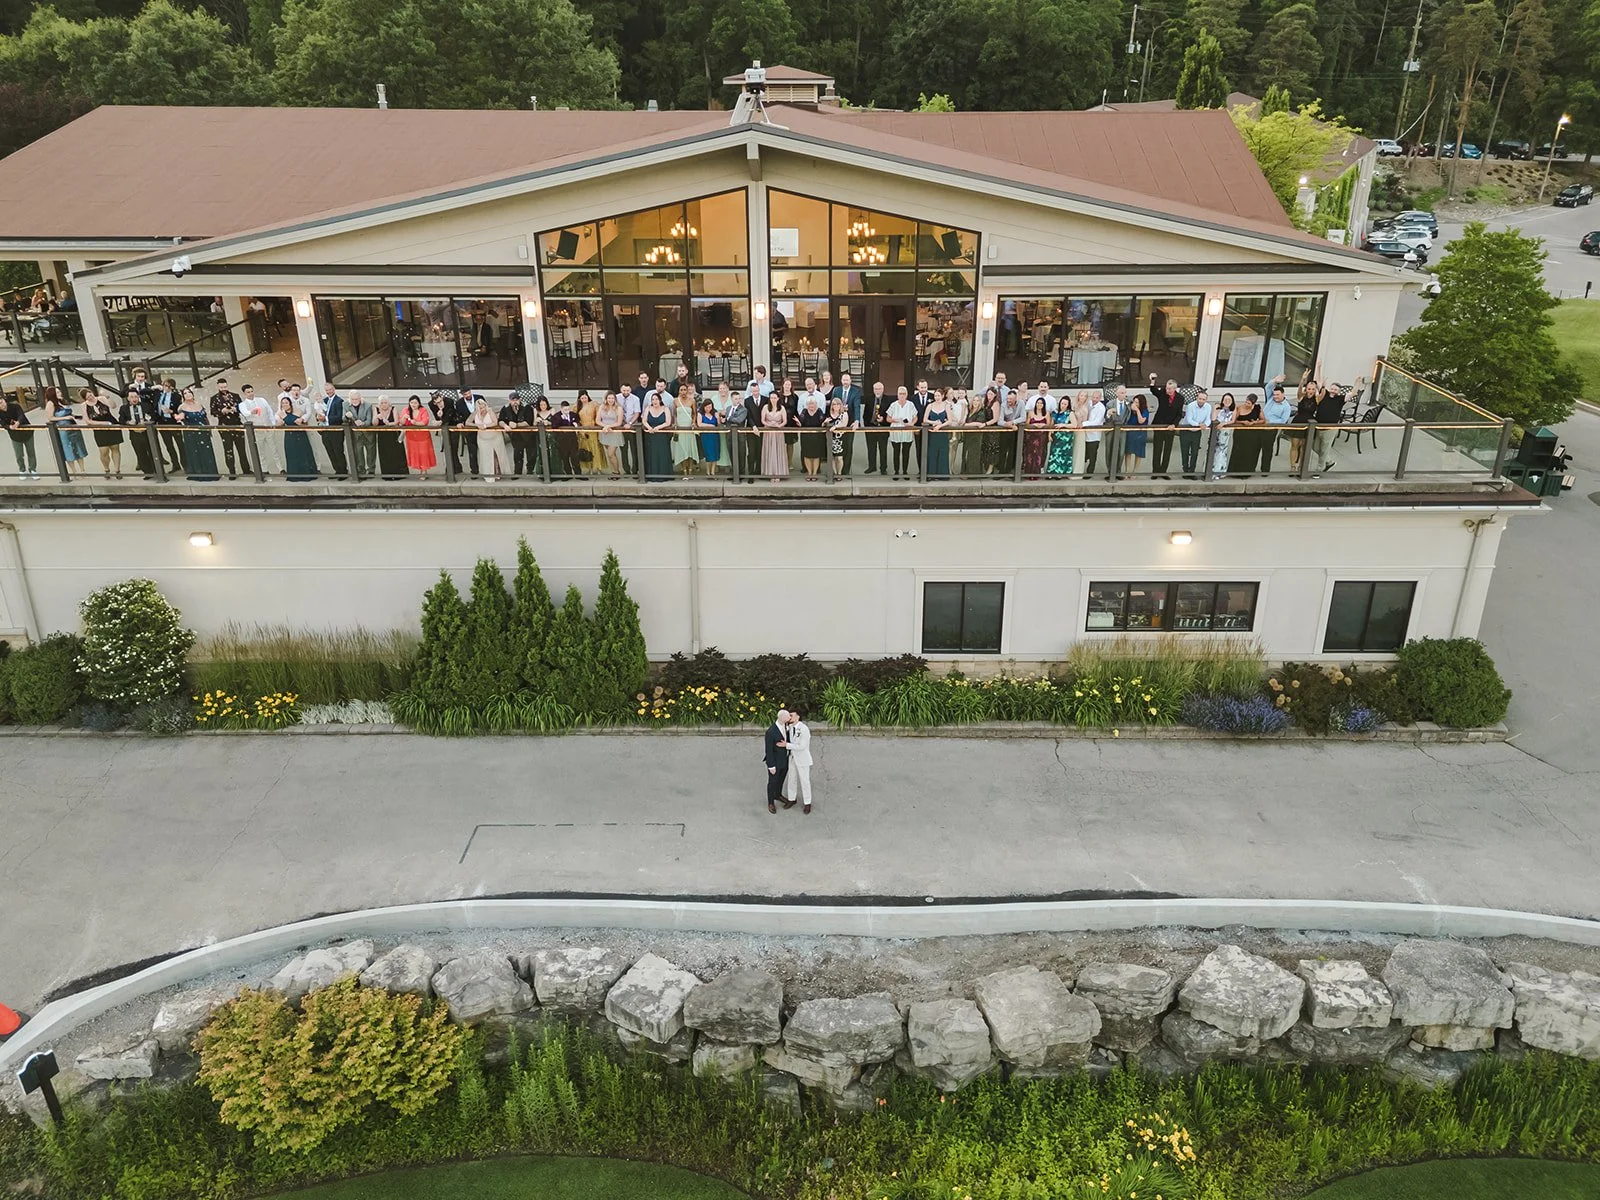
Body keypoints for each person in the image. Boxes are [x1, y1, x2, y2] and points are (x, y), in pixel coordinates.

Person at [176, 387, 218, 481]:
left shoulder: (199, 404)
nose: (188, 394)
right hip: (191, 433)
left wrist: (208, 429)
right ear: (183, 396)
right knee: (194, 452)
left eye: (189, 392)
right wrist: (178, 417)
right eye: (185, 393)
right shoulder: (182, 407)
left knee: (206, 452)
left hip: (203, 431)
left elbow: (205, 417)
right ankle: (198, 473)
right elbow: (181, 416)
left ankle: (210, 473)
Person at [209, 379, 247, 479]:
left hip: (237, 424)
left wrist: (236, 409)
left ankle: (246, 469)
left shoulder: (235, 396)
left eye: (225, 387)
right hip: (224, 426)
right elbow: (213, 412)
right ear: (218, 387)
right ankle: (232, 471)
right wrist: (221, 411)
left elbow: (242, 408)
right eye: (221, 387)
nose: (224, 389)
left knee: (242, 449)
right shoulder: (214, 398)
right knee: (228, 449)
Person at [119, 386, 159, 478]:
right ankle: (147, 472)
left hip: (147, 432)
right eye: (132, 397)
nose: (134, 399)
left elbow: (154, 417)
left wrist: (148, 422)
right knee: (140, 453)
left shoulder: (146, 405)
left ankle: (157, 470)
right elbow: (121, 420)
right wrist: (128, 422)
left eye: (136, 397)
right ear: (128, 398)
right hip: (135, 433)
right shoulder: (124, 408)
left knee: (153, 451)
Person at [277, 393, 317, 481]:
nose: (284, 405)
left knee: (303, 453)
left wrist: (286, 417)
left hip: (300, 434)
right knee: (292, 454)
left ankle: (307, 474)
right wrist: (283, 417)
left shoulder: (297, 411)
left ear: (290, 404)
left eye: (286, 403)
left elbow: (299, 422)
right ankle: (294, 475)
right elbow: (279, 424)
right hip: (289, 435)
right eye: (282, 403)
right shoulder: (280, 413)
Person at [314, 382, 349, 479]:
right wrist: (318, 418)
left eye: (330, 390)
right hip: (325, 430)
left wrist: (326, 419)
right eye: (327, 390)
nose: (329, 392)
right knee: (330, 451)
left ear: (334, 389)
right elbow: (318, 413)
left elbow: (339, 417)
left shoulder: (339, 401)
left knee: (338, 451)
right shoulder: (324, 400)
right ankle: (337, 471)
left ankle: (343, 471)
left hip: (336, 430)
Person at [782, 708, 814, 814]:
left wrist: (786, 745)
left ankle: (807, 803)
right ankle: (792, 799)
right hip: (792, 758)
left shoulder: (804, 729)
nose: (789, 717)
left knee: (804, 781)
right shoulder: (790, 727)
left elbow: (802, 746)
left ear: (798, 717)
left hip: (802, 759)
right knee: (792, 779)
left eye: (791, 715)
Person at [86, 388, 123, 477]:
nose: (90, 397)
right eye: (88, 397)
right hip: (99, 428)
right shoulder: (85, 405)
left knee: (115, 448)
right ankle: (106, 469)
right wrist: (103, 423)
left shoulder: (101, 399)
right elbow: (88, 421)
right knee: (103, 451)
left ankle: (117, 470)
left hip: (111, 424)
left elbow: (113, 406)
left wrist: (107, 397)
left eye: (91, 394)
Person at [1178, 387, 1213, 479]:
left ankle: (1192, 471)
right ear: (1197, 398)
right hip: (1186, 431)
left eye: (1203, 399)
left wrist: (1205, 425)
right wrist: (1199, 425)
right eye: (1200, 399)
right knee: (1185, 452)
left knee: (1195, 452)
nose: (1201, 401)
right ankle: (1185, 471)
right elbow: (1189, 420)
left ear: (1206, 400)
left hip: (1197, 432)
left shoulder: (1208, 407)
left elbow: (1208, 419)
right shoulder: (1191, 406)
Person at [1150, 379, 1182, 478]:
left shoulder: (1180, 398)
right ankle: (1155, 472)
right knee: (1157, 449)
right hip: (1159, 424)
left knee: (1167, 449)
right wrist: (1152, 382)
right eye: (1167, 388)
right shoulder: (1162, 393)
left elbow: (1179, 414)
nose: (1168, 390)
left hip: (1170, 426)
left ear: (1175, 389)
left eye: (1170, 389)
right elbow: (1154, 390)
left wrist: (1174, 424)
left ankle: (1163, 471)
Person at [885, 385, 918, 480]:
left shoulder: (910, 404)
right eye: (900, 394)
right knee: (896, 452)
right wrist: (894, 420)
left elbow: (915, 417)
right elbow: (888, 418)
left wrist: (912, 423)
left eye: (904, 394)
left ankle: (905, 471)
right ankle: (896, 471)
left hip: (907, 432)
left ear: (907, 395)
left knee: (906, 452)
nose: (902, 396)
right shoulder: (893, 405)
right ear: (897, 395)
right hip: (896, 431)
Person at [1229, 393, 1265, 478]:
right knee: (1238, 451)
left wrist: (1254, 422)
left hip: (1252, 433)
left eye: (1249, 403)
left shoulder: (1257, 408)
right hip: (1240, 433)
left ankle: (1247, 471)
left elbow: (1263, 420)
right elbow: (1234, 420)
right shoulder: (1239, 408)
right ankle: (1234, 471)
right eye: (1246, 402)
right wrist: (1242, 422)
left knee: (1250, 452)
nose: (1246, 404)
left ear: (1253, 404)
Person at [373, 395, 409, 480]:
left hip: (393, 433)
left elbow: (397, 421)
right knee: (385, 454)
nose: (383, 405)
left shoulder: (393, 408)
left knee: (396, 453)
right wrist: (376, 417)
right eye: (381, 403)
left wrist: (389, 423)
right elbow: (374, 423)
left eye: (385, 403)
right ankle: (387, 475)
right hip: (382, 435)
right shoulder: (376, 409)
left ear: (388, 403)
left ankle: (399, 474)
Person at [51, 388, 86, 474]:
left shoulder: (63, 401)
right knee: (68, 449)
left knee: (78, 446)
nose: (60, 393)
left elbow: (69, 413)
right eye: (58, 392)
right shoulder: (51, 404)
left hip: (73, 425)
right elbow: (50, 417)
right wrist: (65, 418)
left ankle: (82, 470)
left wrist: (76, 417)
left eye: (60, 391)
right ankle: (74, 471)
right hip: (63, 428)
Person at [2, 392, 37, 478]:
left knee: (31, 452)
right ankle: (22, 470)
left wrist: (18, 422)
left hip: (26, 432)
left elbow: (21, 415)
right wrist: (9, 426)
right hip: (14, 435)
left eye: (1, 402)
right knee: (19, 455)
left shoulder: (15, 406)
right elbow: (3, 424)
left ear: (4, 400)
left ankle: (33, 469)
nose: (2, 405)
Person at [763, 708, 791, 814]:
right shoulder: (771, 732)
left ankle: (778, 794)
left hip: (784, 759)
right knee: (772, 782)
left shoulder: (786, 726)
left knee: (781, 779)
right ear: (782, 718)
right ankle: (771, 802)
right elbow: (768, 750)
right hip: (775, 762)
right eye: (788, 716)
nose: (790, 718)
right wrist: (771, 766)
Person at [1260, 382, 1292, 475]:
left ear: (1283, 394)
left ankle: (1265, 471)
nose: (1275, 397)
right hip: (1260, 425)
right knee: (1255, 448)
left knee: (1267, 450)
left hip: (1270, 429)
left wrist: (1270, 422)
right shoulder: (1270, 398)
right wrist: (1274, 380)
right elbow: (1267, 387)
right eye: (1274, 394)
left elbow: (1283, 421)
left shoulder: (1286, 406)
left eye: (1277, 395)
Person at [833, 371, 862, 475]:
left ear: (850, 381)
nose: (845, 382)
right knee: (837, 447)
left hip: (850, 424)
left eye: (847, 380)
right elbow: (833, 404)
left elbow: (857, 407)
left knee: (848, 446)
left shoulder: (856, 391)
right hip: (837, 423)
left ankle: (846, 471)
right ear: (841, 380)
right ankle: (836, 471)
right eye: (844, 380)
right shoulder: (836, 390)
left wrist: (857, 421)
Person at [154, 376, 185, 473]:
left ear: (172, 387)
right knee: (169, 445)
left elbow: (179, 409)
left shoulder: (176, 396)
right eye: (164, 385)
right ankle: (175, 464)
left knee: (180, 444)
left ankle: (185, 463)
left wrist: (171, 411)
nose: (165, 387)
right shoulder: (158, 394)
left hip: (173, 421)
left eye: (167, 386)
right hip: (162, 422)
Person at [400, 394, 437, 474]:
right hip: (411, 436)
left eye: (415, 403)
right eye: (411, 403)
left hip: (422, 436)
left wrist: (415, 422)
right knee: (415, 453)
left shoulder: (423, 410)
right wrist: (404, 417)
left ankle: (424, 471)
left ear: (419, 403)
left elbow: (425, 422)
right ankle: (418, 468)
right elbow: (401, 423)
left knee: (423, 453)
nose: (413, 404)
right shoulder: (405, 410)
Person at [472, 395, 507, 481]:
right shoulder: (475, 413)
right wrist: (477, 425)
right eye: (480, 408)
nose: (482, 409)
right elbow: (468, 422)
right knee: (485, 456)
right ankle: (488, 474)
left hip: (494, 437)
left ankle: (497, 474)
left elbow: (495, 422)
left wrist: (485, 426)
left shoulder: (490, 412)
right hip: (482, 438)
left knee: (495, 455)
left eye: (483, 407)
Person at [1313, 383, 1345, 475]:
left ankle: (1320, 469)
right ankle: (1329, 461)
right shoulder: (1325, 394)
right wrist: (1318, 368)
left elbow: (1352, 393)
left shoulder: (1340, 399)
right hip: (1319, 426)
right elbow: (1317, 383)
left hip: (1330, 429)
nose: (1333, 390)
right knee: (1315, 447)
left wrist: (1357, 383)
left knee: (1324, 449)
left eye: (1336, 390)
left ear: (1339, 392)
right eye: (1332, 388)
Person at [641, 390, 673, 481]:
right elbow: (644, 420)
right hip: (650, 435)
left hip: (662, 435)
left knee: (662, 454)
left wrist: (658, 428)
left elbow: (668, 422)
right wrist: (649, 428)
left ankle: (664, 475)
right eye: (653, 399)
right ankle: (652, 475)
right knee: (651, 454)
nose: (654, 401)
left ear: (660, 400)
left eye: (656, 399)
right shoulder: (648, 408)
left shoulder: (665, 408)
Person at [760, 390, 790, 481]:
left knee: (778, 451)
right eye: (771, 398)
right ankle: (769, 473)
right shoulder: (765, 407)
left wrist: (779, 426)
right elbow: (762, 420)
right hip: (768, 432)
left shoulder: (782, 408)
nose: (773, 399)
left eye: (775, 398)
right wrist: (768, 425)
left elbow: (785, 421)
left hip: (778, 432)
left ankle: (779, 473)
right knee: (769, 451)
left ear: (778, 398)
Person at [796, 391, 826, 480]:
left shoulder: (819, 411)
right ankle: (809, 473)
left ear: (816, 404)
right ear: (807, 404)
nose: (811, 405)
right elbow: (800, 421)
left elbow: (822, 422)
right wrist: (799, 423)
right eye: (809, 404)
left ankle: (815, 473)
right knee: (807, 455)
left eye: (813, 404)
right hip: (806, 437)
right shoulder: (804, 411)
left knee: (816, 455)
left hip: (817, 438)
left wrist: (824, 423)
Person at [549, 398, 582, 477]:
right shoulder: (557, 416)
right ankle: (568, 474)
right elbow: (554, 426)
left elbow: (578, 421)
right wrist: (561, 419)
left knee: (575, 457)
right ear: (561, 408)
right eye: (565, 409)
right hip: (562, 440)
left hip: (572, 439)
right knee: (565, 458)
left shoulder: (573, 414)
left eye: (568, 409)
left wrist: (576, 424)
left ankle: (578, 474)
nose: (567, 411)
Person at [922, 390, 951, 479]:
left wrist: (940, 425)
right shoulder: (930, 406)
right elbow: (925, 419)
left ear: (942, 396)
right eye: (935, 396)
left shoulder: (946, 406)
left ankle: (943, 475)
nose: (937, 398)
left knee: (943, 453)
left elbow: (950, 420)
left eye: (938, 396)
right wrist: (933, 422)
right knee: (932, 453)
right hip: (932, 433)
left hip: (942, 433)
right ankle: (931, 474)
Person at [345, 390, 375, 477]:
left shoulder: (367, 405)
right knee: (358, 453)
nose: (355, 401)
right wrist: (347, 416)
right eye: (353, 399)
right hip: (356, 434)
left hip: (367, 433)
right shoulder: (345, 405)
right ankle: (361, 472)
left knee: (371, 453)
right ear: (350, 399)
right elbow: (343, 418)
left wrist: (362, 423)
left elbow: (369, 420)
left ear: (360, 398)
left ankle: (371, 470)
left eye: (357, 399)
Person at [863, 380, 890, 475]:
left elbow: (890, 415)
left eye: (879, 389)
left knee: (883, 449)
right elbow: (865, 414)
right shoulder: (869, 399)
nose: (877, 391)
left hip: (883, 428)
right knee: (871, 448)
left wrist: (883, 420)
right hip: (870, 427)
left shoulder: (888, 399)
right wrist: (867, 426)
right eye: (875, 389)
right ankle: (872, 466)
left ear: (882, 389)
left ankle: (883, 468)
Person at [597, 391, 626, 478]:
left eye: (612, 398)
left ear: (615, 399)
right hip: (605, 433)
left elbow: (619, 422)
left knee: (611, 453)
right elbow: (598, 420)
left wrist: (609, 426)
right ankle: (613, 470)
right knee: (610, 455)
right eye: (609, 398)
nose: (611, 400)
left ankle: (617, 472)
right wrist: (605, 427)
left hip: (614, 433)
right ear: (606, 399)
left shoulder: (619, 408)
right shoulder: (602, 407)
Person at [1021, 395, 1051, 478]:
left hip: (1041, 436)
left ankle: (1036, 473)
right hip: (1031, 436)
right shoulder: (1031, 412)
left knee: (1038, 454)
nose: (1039, 404)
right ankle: (1028, 473)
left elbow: (1049, 424)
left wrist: (1042, 425)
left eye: (1041, 403)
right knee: (1030, 454)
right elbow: (1027, 424)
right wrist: (1034, 424)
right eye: (1038, 403)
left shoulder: (1047, 413)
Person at [1045, 395, 1074, 476]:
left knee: (1063, 455)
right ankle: (1051, 473)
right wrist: (1049, 434)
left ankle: (1060, 473)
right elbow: (1052, 424)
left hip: (1065, 438)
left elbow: (1074, 424)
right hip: (1056, 437)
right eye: (1062, 403)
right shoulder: (1055, 413)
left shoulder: (1070, 413)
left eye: (1065, 404)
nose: (1063, 405)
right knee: (1054, 454)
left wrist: (1063, 425)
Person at [1123, 392, 1152, 475]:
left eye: (1137, 402)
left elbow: (1141, 421)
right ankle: (1127, 471)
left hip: (1140, 433)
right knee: (1128, 452)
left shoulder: (1145, 411)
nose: (1135, 404)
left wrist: (1138, 411)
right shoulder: (1130, 410)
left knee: (1138, 453)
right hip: (1130, 432)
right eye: (1134, 402)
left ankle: (1135, 472)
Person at [672, 386, 698, 475]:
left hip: (689, 427)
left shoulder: (692, 401)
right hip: (680, 427)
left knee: (690, 449)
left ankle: (690, 469)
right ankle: (684, 470)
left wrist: (693, 423)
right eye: (681, 390)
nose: (683, 391)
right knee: (682, 449)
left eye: (684, 390)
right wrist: (675, 423)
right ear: (679, 391)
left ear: (687, 391)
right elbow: (675, 414)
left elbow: (694, 414)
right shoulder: (675, 401)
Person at [617, 383, 642, 475]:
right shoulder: (616, 398)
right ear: (621, 389)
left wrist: (630, 423)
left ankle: (635, 470)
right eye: (624, 390)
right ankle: (626, 470)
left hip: (632, 427)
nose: (625, 392)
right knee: (623, 449)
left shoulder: (635, 399)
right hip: (621, 427)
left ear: (630, 390)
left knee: (634, 449)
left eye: (627, 390)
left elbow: (637, 413)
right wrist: (622, 423)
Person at [695, 397, 722, 478]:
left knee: (715, 452)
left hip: (715, 435)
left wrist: (718, 418)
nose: (708, 409)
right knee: (708, 453)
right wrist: (710, 425)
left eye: (710, 407)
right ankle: (708, 471)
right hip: (706, 436)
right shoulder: (700, 414)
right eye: (707, 407)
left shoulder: (714, 413)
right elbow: (699, 424)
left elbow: (718, 424)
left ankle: (713, 472)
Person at [1082, 389, 1107, 475]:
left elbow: (1096, 422)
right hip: (1085, 434)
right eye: (1093, 397)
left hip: (1094, 435)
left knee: (1092, 455)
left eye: (1097, 398)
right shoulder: (1088, 403)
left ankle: (1090, 472)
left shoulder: (1101, 408)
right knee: (1084, 454)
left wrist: (1083, 423)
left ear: (1100, 398)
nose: (1094, 399)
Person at [576, 388, 601, 474]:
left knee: (595, 448)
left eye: (585, 397)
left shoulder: (594, 404)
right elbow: (575, 419)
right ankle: (587, 467)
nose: (584, 399)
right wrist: (580, 430)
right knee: (585, 449)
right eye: (582, 398)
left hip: (593, 429)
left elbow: (598, 417)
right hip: (583, 430)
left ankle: (596, 467)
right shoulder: (576, 406)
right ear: (579, 398)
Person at [826, 396, 851, 480]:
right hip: (830, 438)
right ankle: (834, 473)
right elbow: (824, 424)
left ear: (840, 405)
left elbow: (844, 423)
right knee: (831, 457)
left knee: (839, 458)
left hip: (840, 439)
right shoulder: (828, 414)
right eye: (833, 404)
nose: (835, 406)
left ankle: (839, 473)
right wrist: (824, 422)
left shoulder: (844, 414)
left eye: (837, 404)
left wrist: (835, 427)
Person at [1211, 393, 1236, 476]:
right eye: (1225, 400)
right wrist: (1215, 409)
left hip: (1225, 432)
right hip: (1216, 431)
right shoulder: (1219, 408)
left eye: (1229, 400)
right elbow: (1213, 419)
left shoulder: (1233, 409)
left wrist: (1224, 424)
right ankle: (1209, 471)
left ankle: (1219, 472)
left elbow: (1233, 420)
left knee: (1221, 452)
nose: (1227, 401)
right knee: (1212, 450)